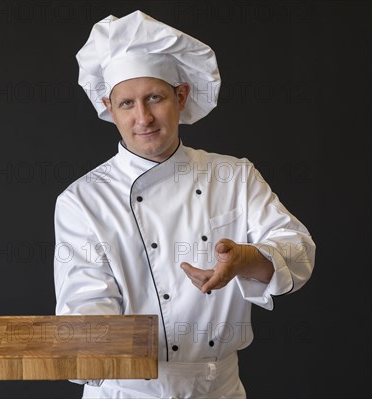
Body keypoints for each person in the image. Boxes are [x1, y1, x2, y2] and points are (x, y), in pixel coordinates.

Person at [52, 10, 315, 399]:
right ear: (109, 107)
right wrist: (86, 346)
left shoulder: (233, 175)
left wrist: (247, 258)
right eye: (127, 103)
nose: (143, 118)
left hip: (218, 388)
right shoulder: (84, 199)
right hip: (129, 392)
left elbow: (298, 248)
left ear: (181, 96)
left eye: (154, 98)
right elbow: (86, 302)